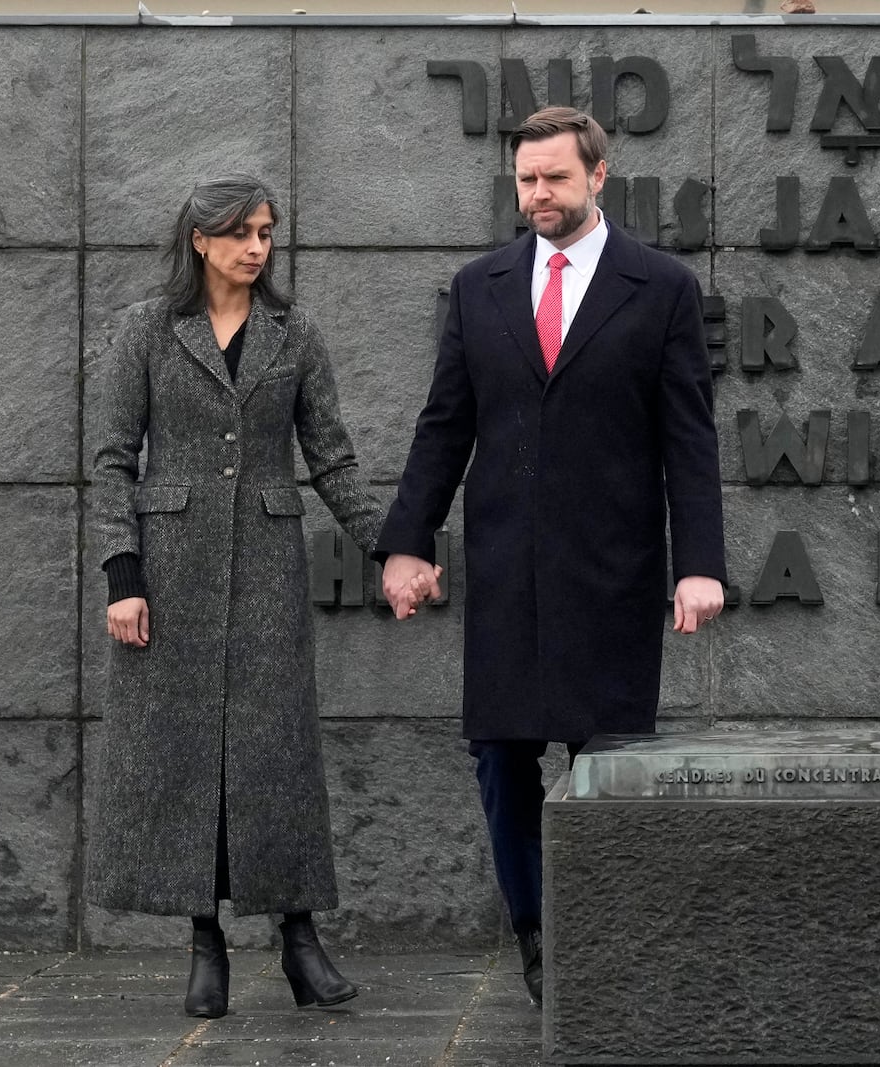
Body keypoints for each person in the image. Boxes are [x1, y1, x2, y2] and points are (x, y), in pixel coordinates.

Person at [376, 107, 727, 1007]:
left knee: (606, 761)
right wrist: (408, 543)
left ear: (599, 176)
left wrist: (700, 563)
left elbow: (688, 439)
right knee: (499, 757)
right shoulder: (480, 285)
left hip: (612, 573)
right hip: (506, 575)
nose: (538, 195)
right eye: (527, 180)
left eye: (556, 179)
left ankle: (608, 933)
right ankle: (538, 937)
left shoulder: (661, 287)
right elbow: (445, 424)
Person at [88, 174, 379, 1020]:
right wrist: (123, 575)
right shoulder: (144, 330)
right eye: (241, 232)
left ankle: (298, 937)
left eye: (266, 231)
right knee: (184, 755)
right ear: (200, 241)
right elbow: (112, 460)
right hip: (168, 572)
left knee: (274, 750)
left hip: (266, 569)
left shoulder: (295, 332)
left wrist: (392, 546)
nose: (258, 247)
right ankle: (203, 941)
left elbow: (332, 457)